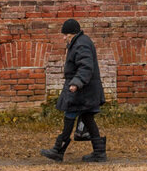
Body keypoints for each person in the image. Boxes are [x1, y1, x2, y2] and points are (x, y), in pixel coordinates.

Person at [40, 18, 106, 163]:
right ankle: (99, 152)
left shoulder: (81, 44)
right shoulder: (80, 42)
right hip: (85, 90)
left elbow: (86, 66)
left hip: (81, 90)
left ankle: (58, 150)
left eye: (66, 35)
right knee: (88, 118)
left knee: (70, 115)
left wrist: (77, 83)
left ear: (73, 34)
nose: (64, 38)